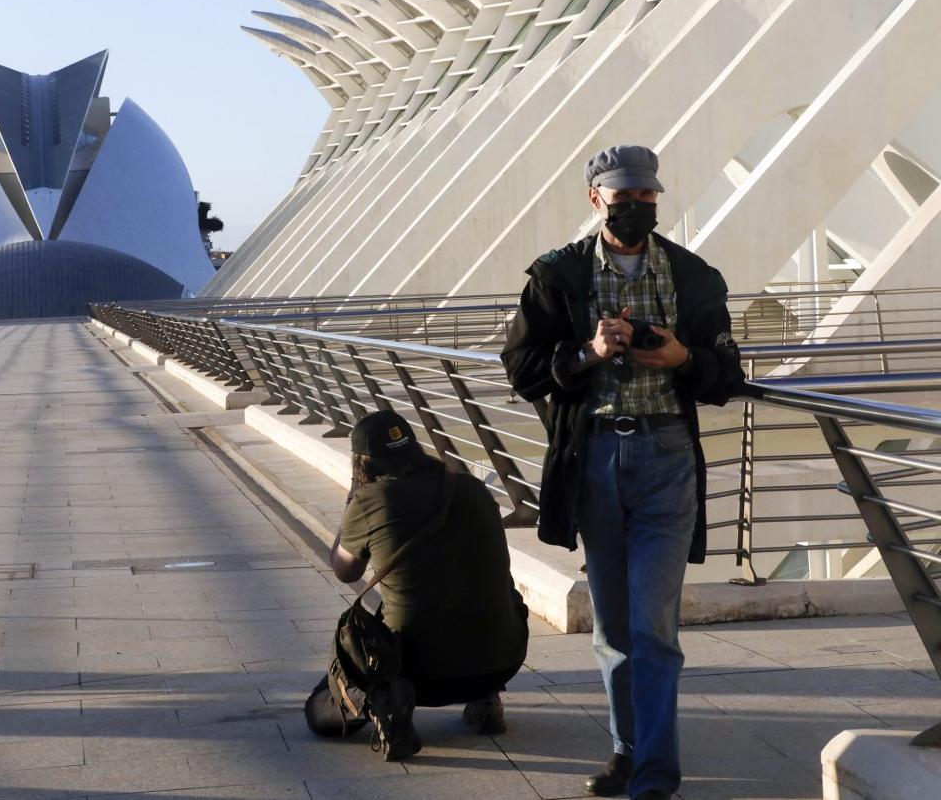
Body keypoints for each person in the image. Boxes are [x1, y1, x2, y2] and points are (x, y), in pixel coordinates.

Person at [500, 145, 743, 800]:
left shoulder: (694, 278)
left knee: (651, 628)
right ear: (595, 198)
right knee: (612, 628)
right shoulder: (559, 277)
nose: (635, 206)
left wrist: (682, 357)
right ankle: (628, 751)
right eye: (622, 195)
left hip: (666, 461)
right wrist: (588, 351)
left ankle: (655, 778)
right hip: (596, 461)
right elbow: (520, 368)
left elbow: (728, 376)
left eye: (646, 196)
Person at [304, 409, 530, 761]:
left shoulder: (371, 500)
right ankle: (485, 696)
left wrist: (354, 499)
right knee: (477, 588)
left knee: (319, 712)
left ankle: (392, 709)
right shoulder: (471, 487)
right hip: (504, 659)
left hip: (420, 675)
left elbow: (344, 571)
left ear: (362, 463)